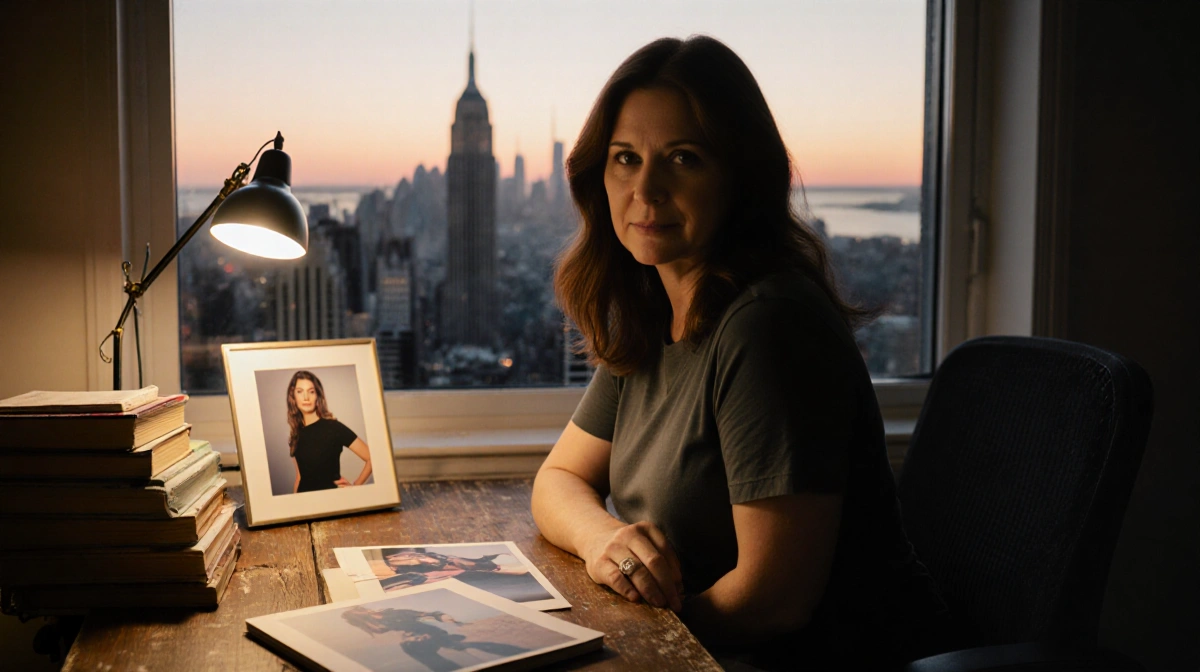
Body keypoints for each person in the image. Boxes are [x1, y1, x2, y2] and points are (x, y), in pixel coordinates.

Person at [530, 36, 952, 669]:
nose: (646, 189)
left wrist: (628, 645)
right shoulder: (654, 311)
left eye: (683, 158)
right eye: (625, 158)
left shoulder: (767, 324)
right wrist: (605, 541)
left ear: (740, 177)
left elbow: (772, 602)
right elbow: (558, 479)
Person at [341, 605, 528, 672]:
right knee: (437, 654)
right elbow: (425, 615)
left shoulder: (389, 616)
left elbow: (425, 614)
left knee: (461, 646)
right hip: (418, 641)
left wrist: (442, 617)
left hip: (429, 635)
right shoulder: (377, 624)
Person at [286, 370, 373, 493]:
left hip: (331, 505)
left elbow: (372, 458)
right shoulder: (295, 435)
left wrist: (355, 487)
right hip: (305, 505)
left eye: (311, 392)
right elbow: (299, 478)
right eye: (300, 392)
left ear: (318, 395)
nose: (306, 397)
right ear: (293, 397)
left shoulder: (334, 428)